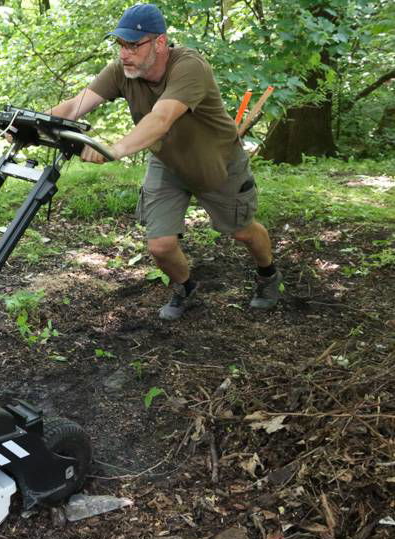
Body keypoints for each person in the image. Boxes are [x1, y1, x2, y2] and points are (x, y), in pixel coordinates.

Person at [47, 3, 283, 320]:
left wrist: (114, 150)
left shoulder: (188, 66)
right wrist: (31, 123)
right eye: (121, 44)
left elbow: (161, 118)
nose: (124, 53)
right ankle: (186, 289)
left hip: (217, 163)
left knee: (242, 232)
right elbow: (77, 105)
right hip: (168, 162)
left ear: (160, 43)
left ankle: (268, 275)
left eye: (133, 45)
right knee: (160, 245)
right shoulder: (122, 71)